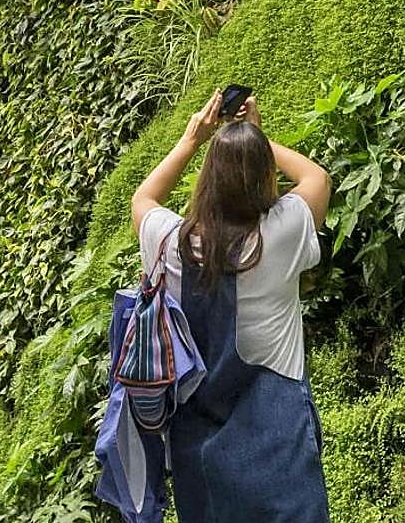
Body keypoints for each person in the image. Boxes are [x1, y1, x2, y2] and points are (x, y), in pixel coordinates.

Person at [131, 88, 333, 522]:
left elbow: (143, 200)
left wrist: (193, 139)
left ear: (208, 179)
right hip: (278, 446)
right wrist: (252, 137)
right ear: (264, 176)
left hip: (200, 453)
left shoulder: (170, 242)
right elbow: (316, 177)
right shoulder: (279, 236)